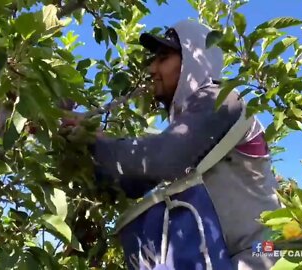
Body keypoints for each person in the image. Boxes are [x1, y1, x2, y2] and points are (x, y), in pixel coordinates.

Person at [66, 19, 281, 270]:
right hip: (228, 258)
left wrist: (94, 138)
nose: (151, 69)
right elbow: (131, 183)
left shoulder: (222, 99)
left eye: (163, 57)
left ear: (193, 58)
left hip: (259, 257)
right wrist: (69, 140)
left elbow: (160, 159)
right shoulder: (191, 126)